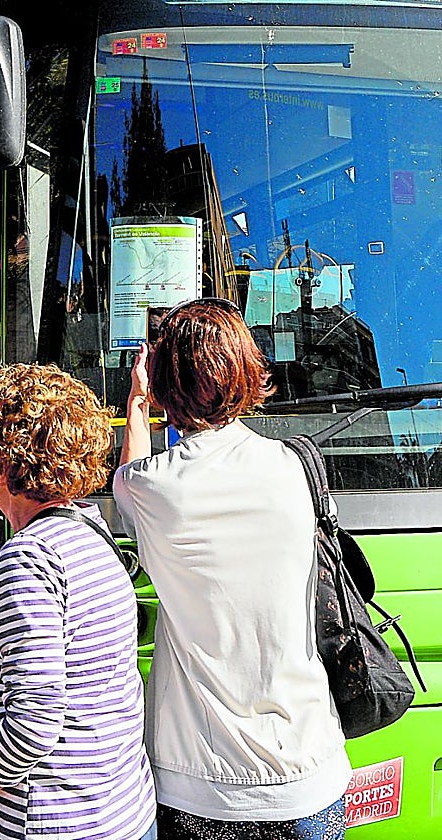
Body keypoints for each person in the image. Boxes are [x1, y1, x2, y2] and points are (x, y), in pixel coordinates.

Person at [114, 298, 350, 839]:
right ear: (246, 366)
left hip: (205, 787)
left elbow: (127, 472)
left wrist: (136, 399)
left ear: (166, 385)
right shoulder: (295, 465)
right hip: (311, 774)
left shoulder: (154, 487)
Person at [0, 364, 156, 840]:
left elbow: (33, 725)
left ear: (3, 460)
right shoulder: (92, 532)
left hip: (56, 821)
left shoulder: (29, 559)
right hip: (121, 810)